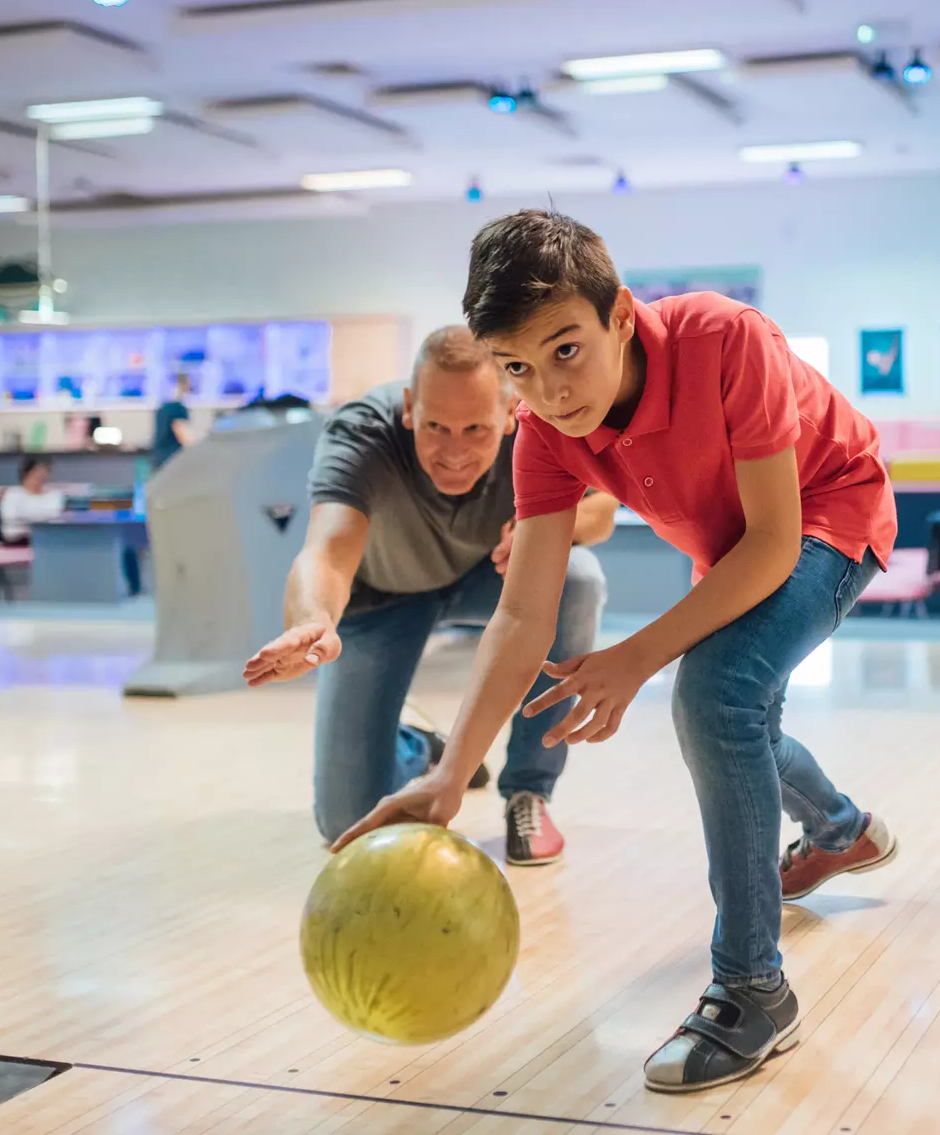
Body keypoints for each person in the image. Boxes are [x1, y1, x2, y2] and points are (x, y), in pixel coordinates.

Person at [330, 210, 899, 1094]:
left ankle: (754, 990)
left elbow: (776, 544)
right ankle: (839, 828)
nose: (550, 391)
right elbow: (522, 616)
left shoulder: (725, 337)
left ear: (621, 316)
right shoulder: (545, 434)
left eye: (566, 350)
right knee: (733, 712)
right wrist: (451, 778)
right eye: (518, 368)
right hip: (731, 543)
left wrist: (634, 659)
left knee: (714, 698)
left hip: (826, 513)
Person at [242, 325, 615, 865]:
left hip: (488, 573)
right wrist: (313, 620)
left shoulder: (539, 422)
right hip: (383, 596)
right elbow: (325, 550)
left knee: (575, 576)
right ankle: (421, 747)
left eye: (476, 429)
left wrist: (550, 530)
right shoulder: (363, 432)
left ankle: (529, 792)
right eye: (436, 426)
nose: (455, 452)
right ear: (410, 408)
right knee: (347, 819)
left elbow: (602, 510)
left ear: (509, 413)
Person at [0, 455, 65, 542]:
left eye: (46, 471)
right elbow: (10, 519)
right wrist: (40, 520)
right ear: (26, 473)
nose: (41, 476)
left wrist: (32, 519)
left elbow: (57, 518)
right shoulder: (13, 494)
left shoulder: (55, 495)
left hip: (48, 539)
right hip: (17, 539)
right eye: (37, 471)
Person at [151, 373, 195, 468]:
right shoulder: (177, 408)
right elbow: (186, 439)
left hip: (159, 462)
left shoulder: (161, 409)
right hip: (173, 463)